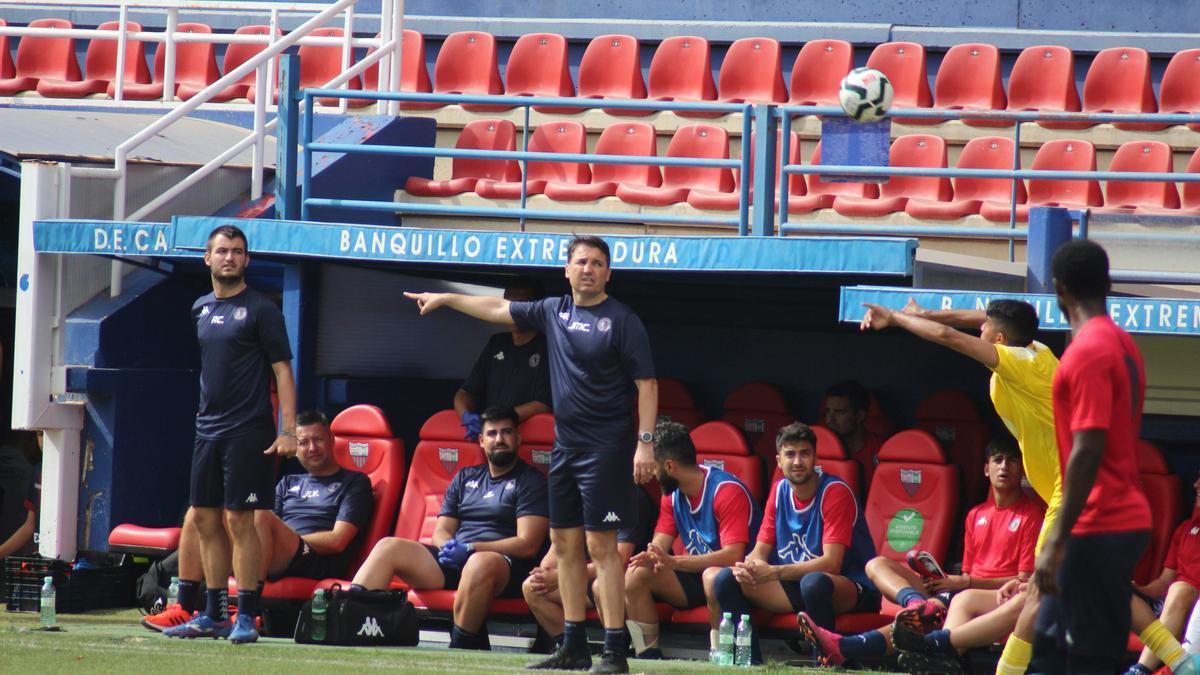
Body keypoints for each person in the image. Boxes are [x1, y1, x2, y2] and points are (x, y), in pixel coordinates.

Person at [862, 293, 1190, 674]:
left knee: (1041, 588)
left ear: (998, 340)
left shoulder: (1017, 363)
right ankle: (1182, 663)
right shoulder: (1034, 348)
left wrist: (896, 319)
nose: (978, 328)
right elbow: (980, 318)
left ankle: (983, 660)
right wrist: (926, 311)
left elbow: (948, 338)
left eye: (985, 329)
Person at [404, 235, 657, 674]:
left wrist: (645, 443)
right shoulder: (552, 310)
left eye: (597, 263)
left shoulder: (623, 320)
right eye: (581, 262)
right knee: (564, 546)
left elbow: (647, 386)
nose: (588, 269)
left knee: (602, 547)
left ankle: (614, 651)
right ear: (567, 270)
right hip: (566, 450)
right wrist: (446, 297)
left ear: (608, 274)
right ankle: (574, 645)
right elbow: (497, 310)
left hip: (606, 449)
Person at [797, 435, 1044, 671]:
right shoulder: (975, 514)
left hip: (992, 596)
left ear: (1022, 470)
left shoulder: (1031, 514)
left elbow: (1023, 579)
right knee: (876, 564)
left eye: (1012, 460)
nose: (1004, 467)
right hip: (960, 590)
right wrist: (943, 580)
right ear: (986, 469)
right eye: (998, 460)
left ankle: (843, 646)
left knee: (936, 611)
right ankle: (914, 601)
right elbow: (968, 572)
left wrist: (964, 582)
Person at [171, 224, 297, 645]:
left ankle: (247, 615)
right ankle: (213, 613)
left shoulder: (262, 310)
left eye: (238, 252)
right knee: (204, 518)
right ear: (207, 258)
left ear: (247, 260)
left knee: (240, 520)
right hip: (207, 431)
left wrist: (289, 431)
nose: (230, 257)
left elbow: (283, 371)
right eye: (222, 251)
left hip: (249, 431)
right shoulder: (199, 309)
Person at [1031, 238, 1152, 673]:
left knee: (1086, 659)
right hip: (1110, 519)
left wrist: (1058, 539)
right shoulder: (1121, 342)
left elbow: (1089, 446)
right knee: (1047, 649)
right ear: (1108, 283)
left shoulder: (1088, 351)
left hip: (1100, 523)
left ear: (1058, 289)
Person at [152, 410, 374, 634]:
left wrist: (281, 538)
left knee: (256, 515)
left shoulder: (354, 482)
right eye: (304, 442)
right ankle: (183, 607)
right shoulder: (288, 482)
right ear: (295, 449)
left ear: (331, 440)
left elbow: (338, 540)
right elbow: (265, 525)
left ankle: (247, 613)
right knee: (197, 514)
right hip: (273, 550)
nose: (312, 448)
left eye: (318, 439)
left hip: (313, 559)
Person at [350, 406, 549, 651]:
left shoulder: (531, 481)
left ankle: (461, 646)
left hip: (502, 567)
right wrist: (448, 546)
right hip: (457, 561)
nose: (499, 439)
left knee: (479, 563)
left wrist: (471, 548)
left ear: (518, 438)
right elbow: (441, 529)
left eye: (506, 432)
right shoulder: (465, 477)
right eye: (492, 433)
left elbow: (527, 544)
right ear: (481, 440)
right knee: (388, 546)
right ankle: (352, 623)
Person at [709, 421, 878, 664]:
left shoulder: (835, 492)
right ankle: (750, 664)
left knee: (814, 582)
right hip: (795, 583)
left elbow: (831, 564)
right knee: (726, 579)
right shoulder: (778, 491)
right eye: (790, 454)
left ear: (815, 458)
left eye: (805, 453)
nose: (797, 461)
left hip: (848, 587)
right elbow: (760, 549)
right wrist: (751, 567)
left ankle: (825, 663)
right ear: (778, 461)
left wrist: (773, 572)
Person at [623, 421, 761, 660]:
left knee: (712, 577)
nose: (653, 474)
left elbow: (733, 555)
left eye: (654, 466)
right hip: (695, 572)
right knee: (636, 573)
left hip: (739, 579)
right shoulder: (673, 495)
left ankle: (719, 654)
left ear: (669, 466)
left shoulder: (725, 491)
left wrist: (674, 562)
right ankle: (647, 654)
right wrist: (652, 556)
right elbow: (660, 545)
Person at [523, 485, 656, 649]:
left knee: (601, 585)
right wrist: (546, 573)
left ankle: (618, 650)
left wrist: (563, 576)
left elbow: (620, 559)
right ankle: (572, 648)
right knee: (532, 587)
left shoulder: (629, 495)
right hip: (588, 576)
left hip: (625, 577)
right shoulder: (577, 496)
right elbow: (556, 550)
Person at [454, 278, 552, 440]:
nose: (511, 311)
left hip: (531, 439)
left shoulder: (549, 345)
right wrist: (467, 417)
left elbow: (543, 404)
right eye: (507, 304)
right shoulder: (497, 342)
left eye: (519, 305)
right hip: (493, 439)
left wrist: (497, 421)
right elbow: (465, 393)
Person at [1130, 473, 1200, 674]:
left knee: (1181, 589)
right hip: (1170, 604)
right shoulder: (1185, 529)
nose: (1196, 484)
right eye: (1196, 478)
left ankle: (1141, 669)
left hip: (1193, 608)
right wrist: (1138, 589)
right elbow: (1163, 582)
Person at [822, 381, 887, 488]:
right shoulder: (820, 450)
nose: (830, 419)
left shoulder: (881, 450)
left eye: (839, 412)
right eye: (828, 411)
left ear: (860, 416)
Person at [0, 430, 40, 559]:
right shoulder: (38, 470)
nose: (44, 440)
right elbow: (29, 525)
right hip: (37, 558)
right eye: (40, 434)